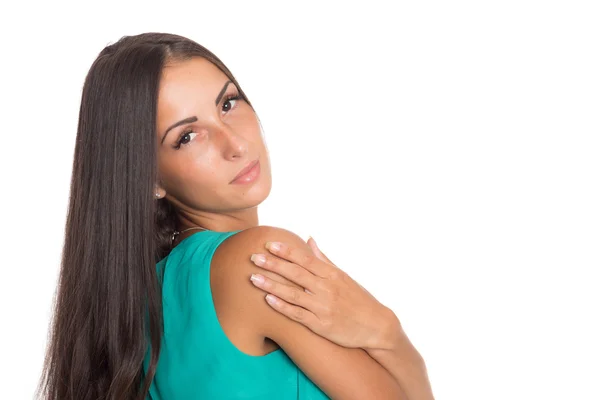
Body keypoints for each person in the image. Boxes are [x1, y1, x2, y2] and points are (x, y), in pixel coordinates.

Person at [38, 32, 434, 400]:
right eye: (187, 136)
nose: (236, 144)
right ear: (149, 178)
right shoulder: (259, 261)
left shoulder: (140, 301)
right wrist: (387, 331)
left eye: (227, 104)